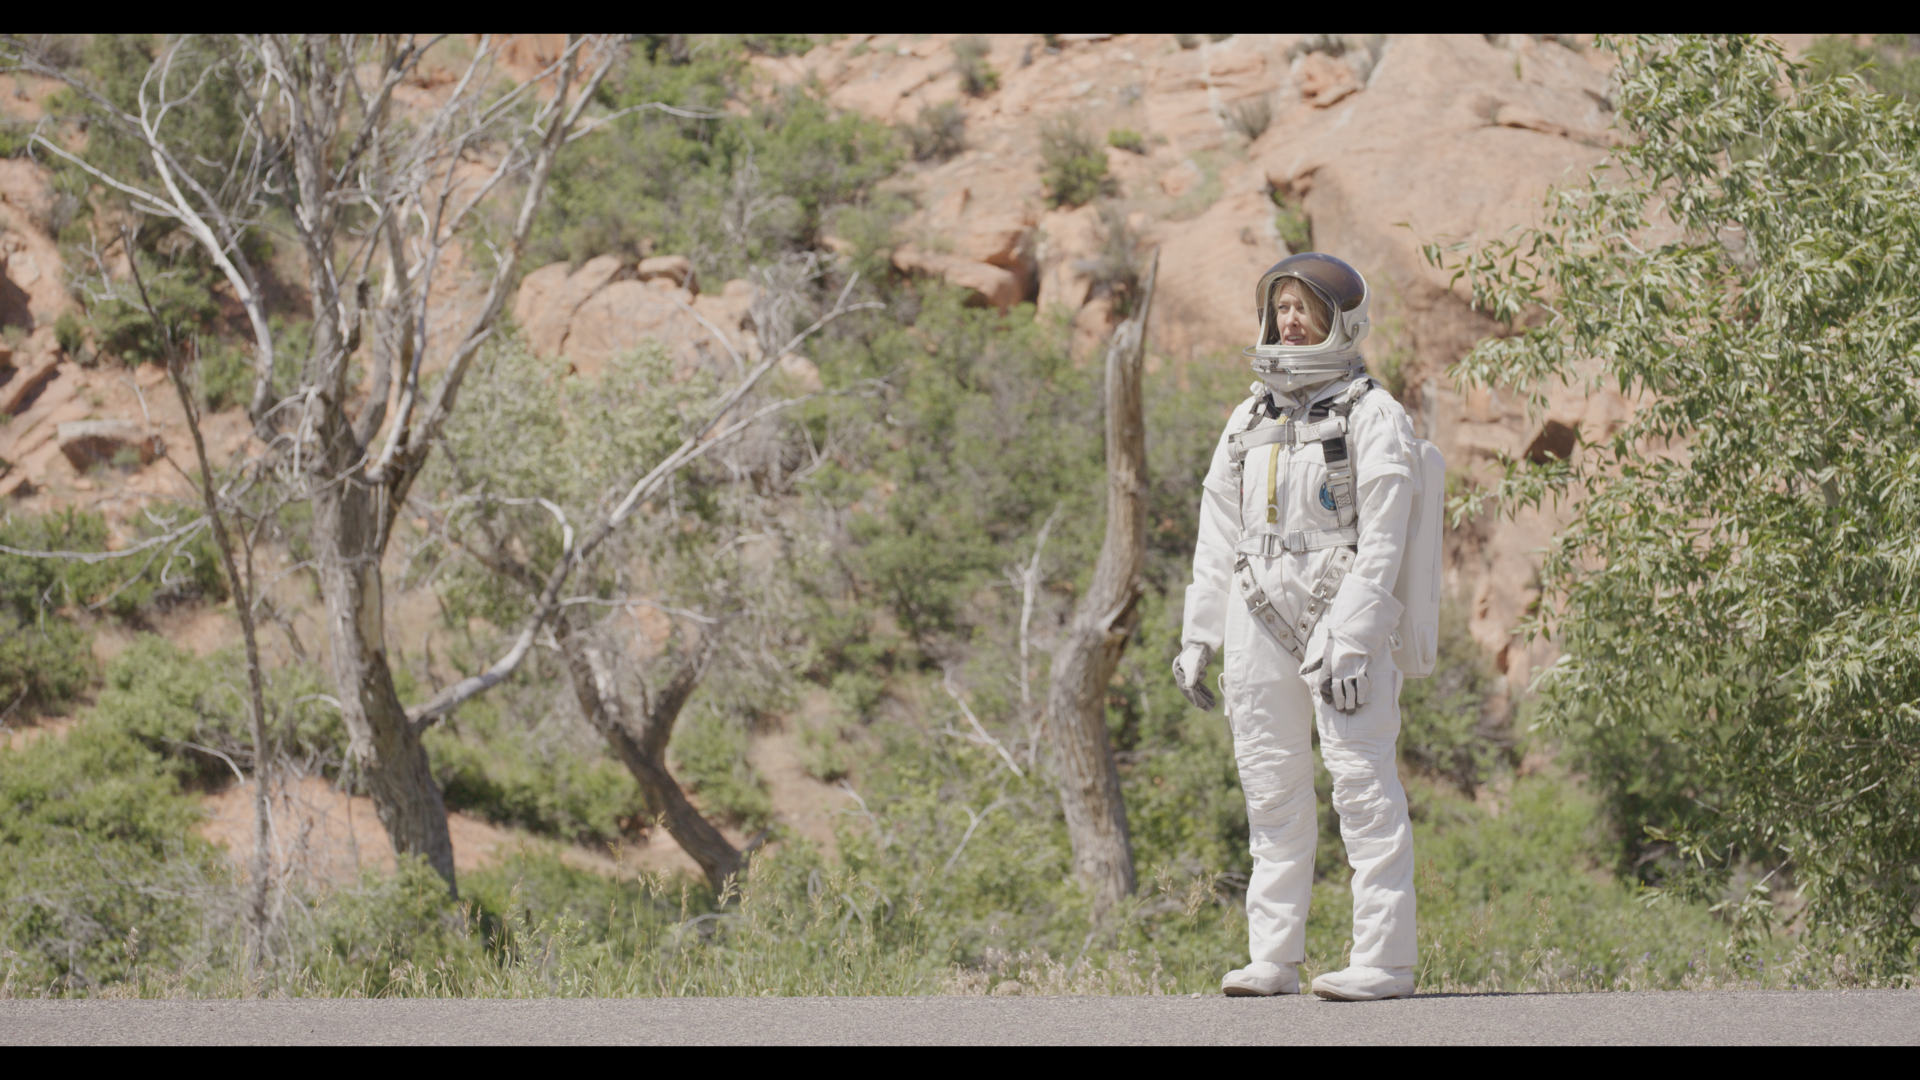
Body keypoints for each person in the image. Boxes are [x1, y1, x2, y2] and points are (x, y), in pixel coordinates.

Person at [1172, 253, 1419, 1001]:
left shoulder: (1374, 415)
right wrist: (1197, 635)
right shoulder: (1248, 419)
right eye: (1280, 307)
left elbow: (1384, 539)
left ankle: (1383, 961)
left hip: (1340, 624)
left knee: (1362, 789)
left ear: (1341, 318)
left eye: (1304, 306)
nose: (1289, 320)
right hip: (1255, 617)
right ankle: (1272, 957)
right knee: (1271, 792)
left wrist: (1355, 636)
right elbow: (1218, 535)